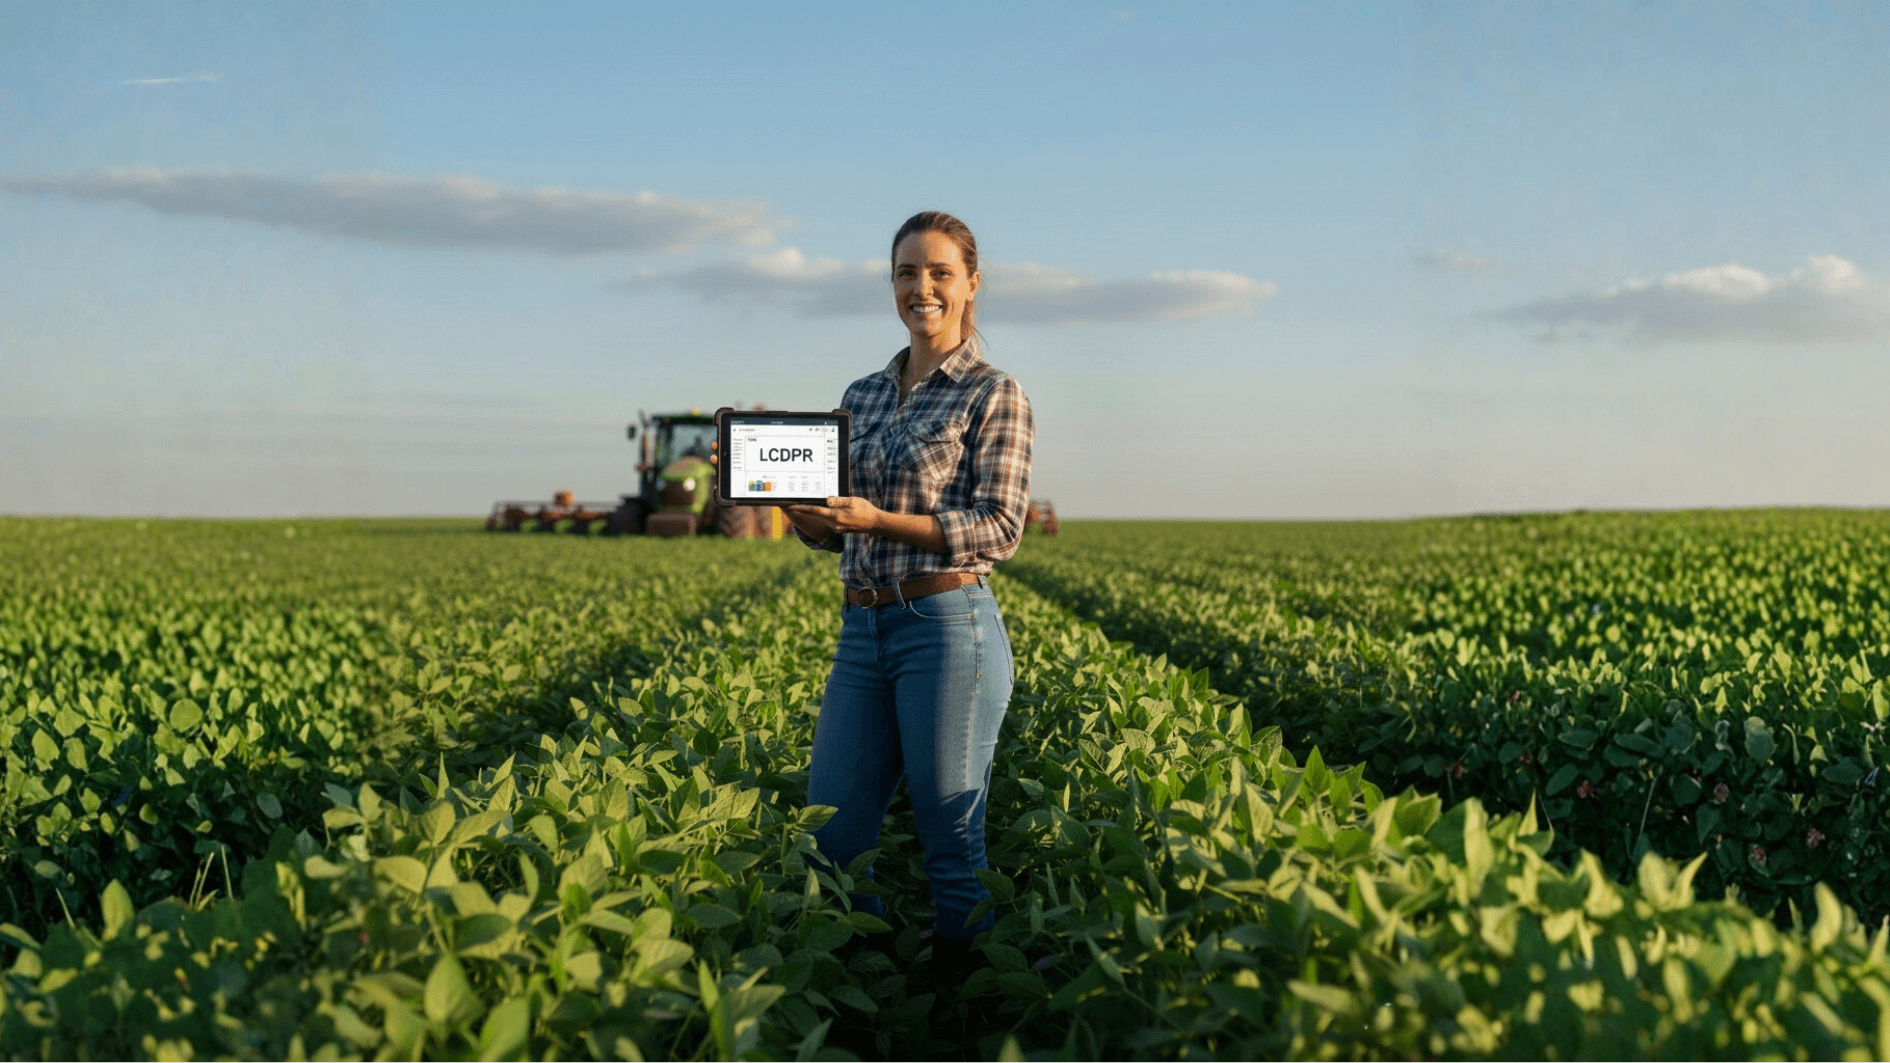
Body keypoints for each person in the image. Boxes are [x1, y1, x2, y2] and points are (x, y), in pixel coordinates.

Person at [783, 211, 1034, 984]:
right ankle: (863, 1000)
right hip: (862, 629)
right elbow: (836, 529)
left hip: (947, 627)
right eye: (904, 273)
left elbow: (999, 527)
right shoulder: (860, 391)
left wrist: (879, 517)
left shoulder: (995, 394)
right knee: (832, 839)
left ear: (969, 285)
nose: (919, 288)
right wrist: (803, 513)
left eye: (937, 273)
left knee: (952, 848)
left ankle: (964, 1012)